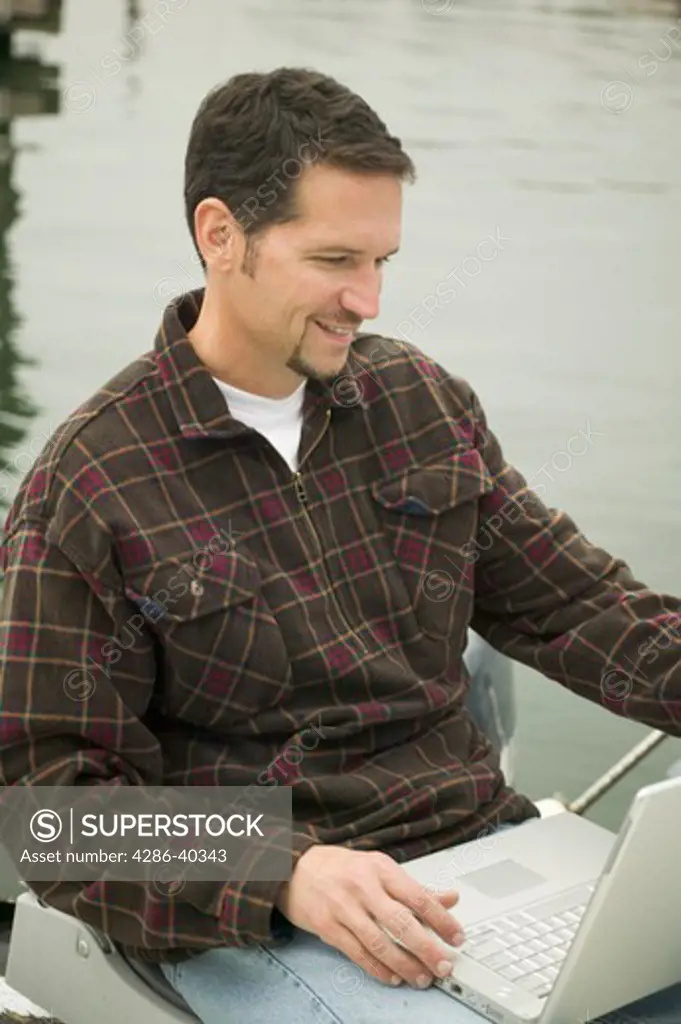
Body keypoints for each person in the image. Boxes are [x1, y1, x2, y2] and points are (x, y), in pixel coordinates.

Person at [0, 67, 679, 1024]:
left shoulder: (423, 403)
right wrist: (285, 871)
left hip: (479, 859)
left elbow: (578, 608)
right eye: (333, 262)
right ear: (219, 234)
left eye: (381, 262)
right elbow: (51, 815)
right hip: (256, 923)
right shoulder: (90, 485)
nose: (365, 301)